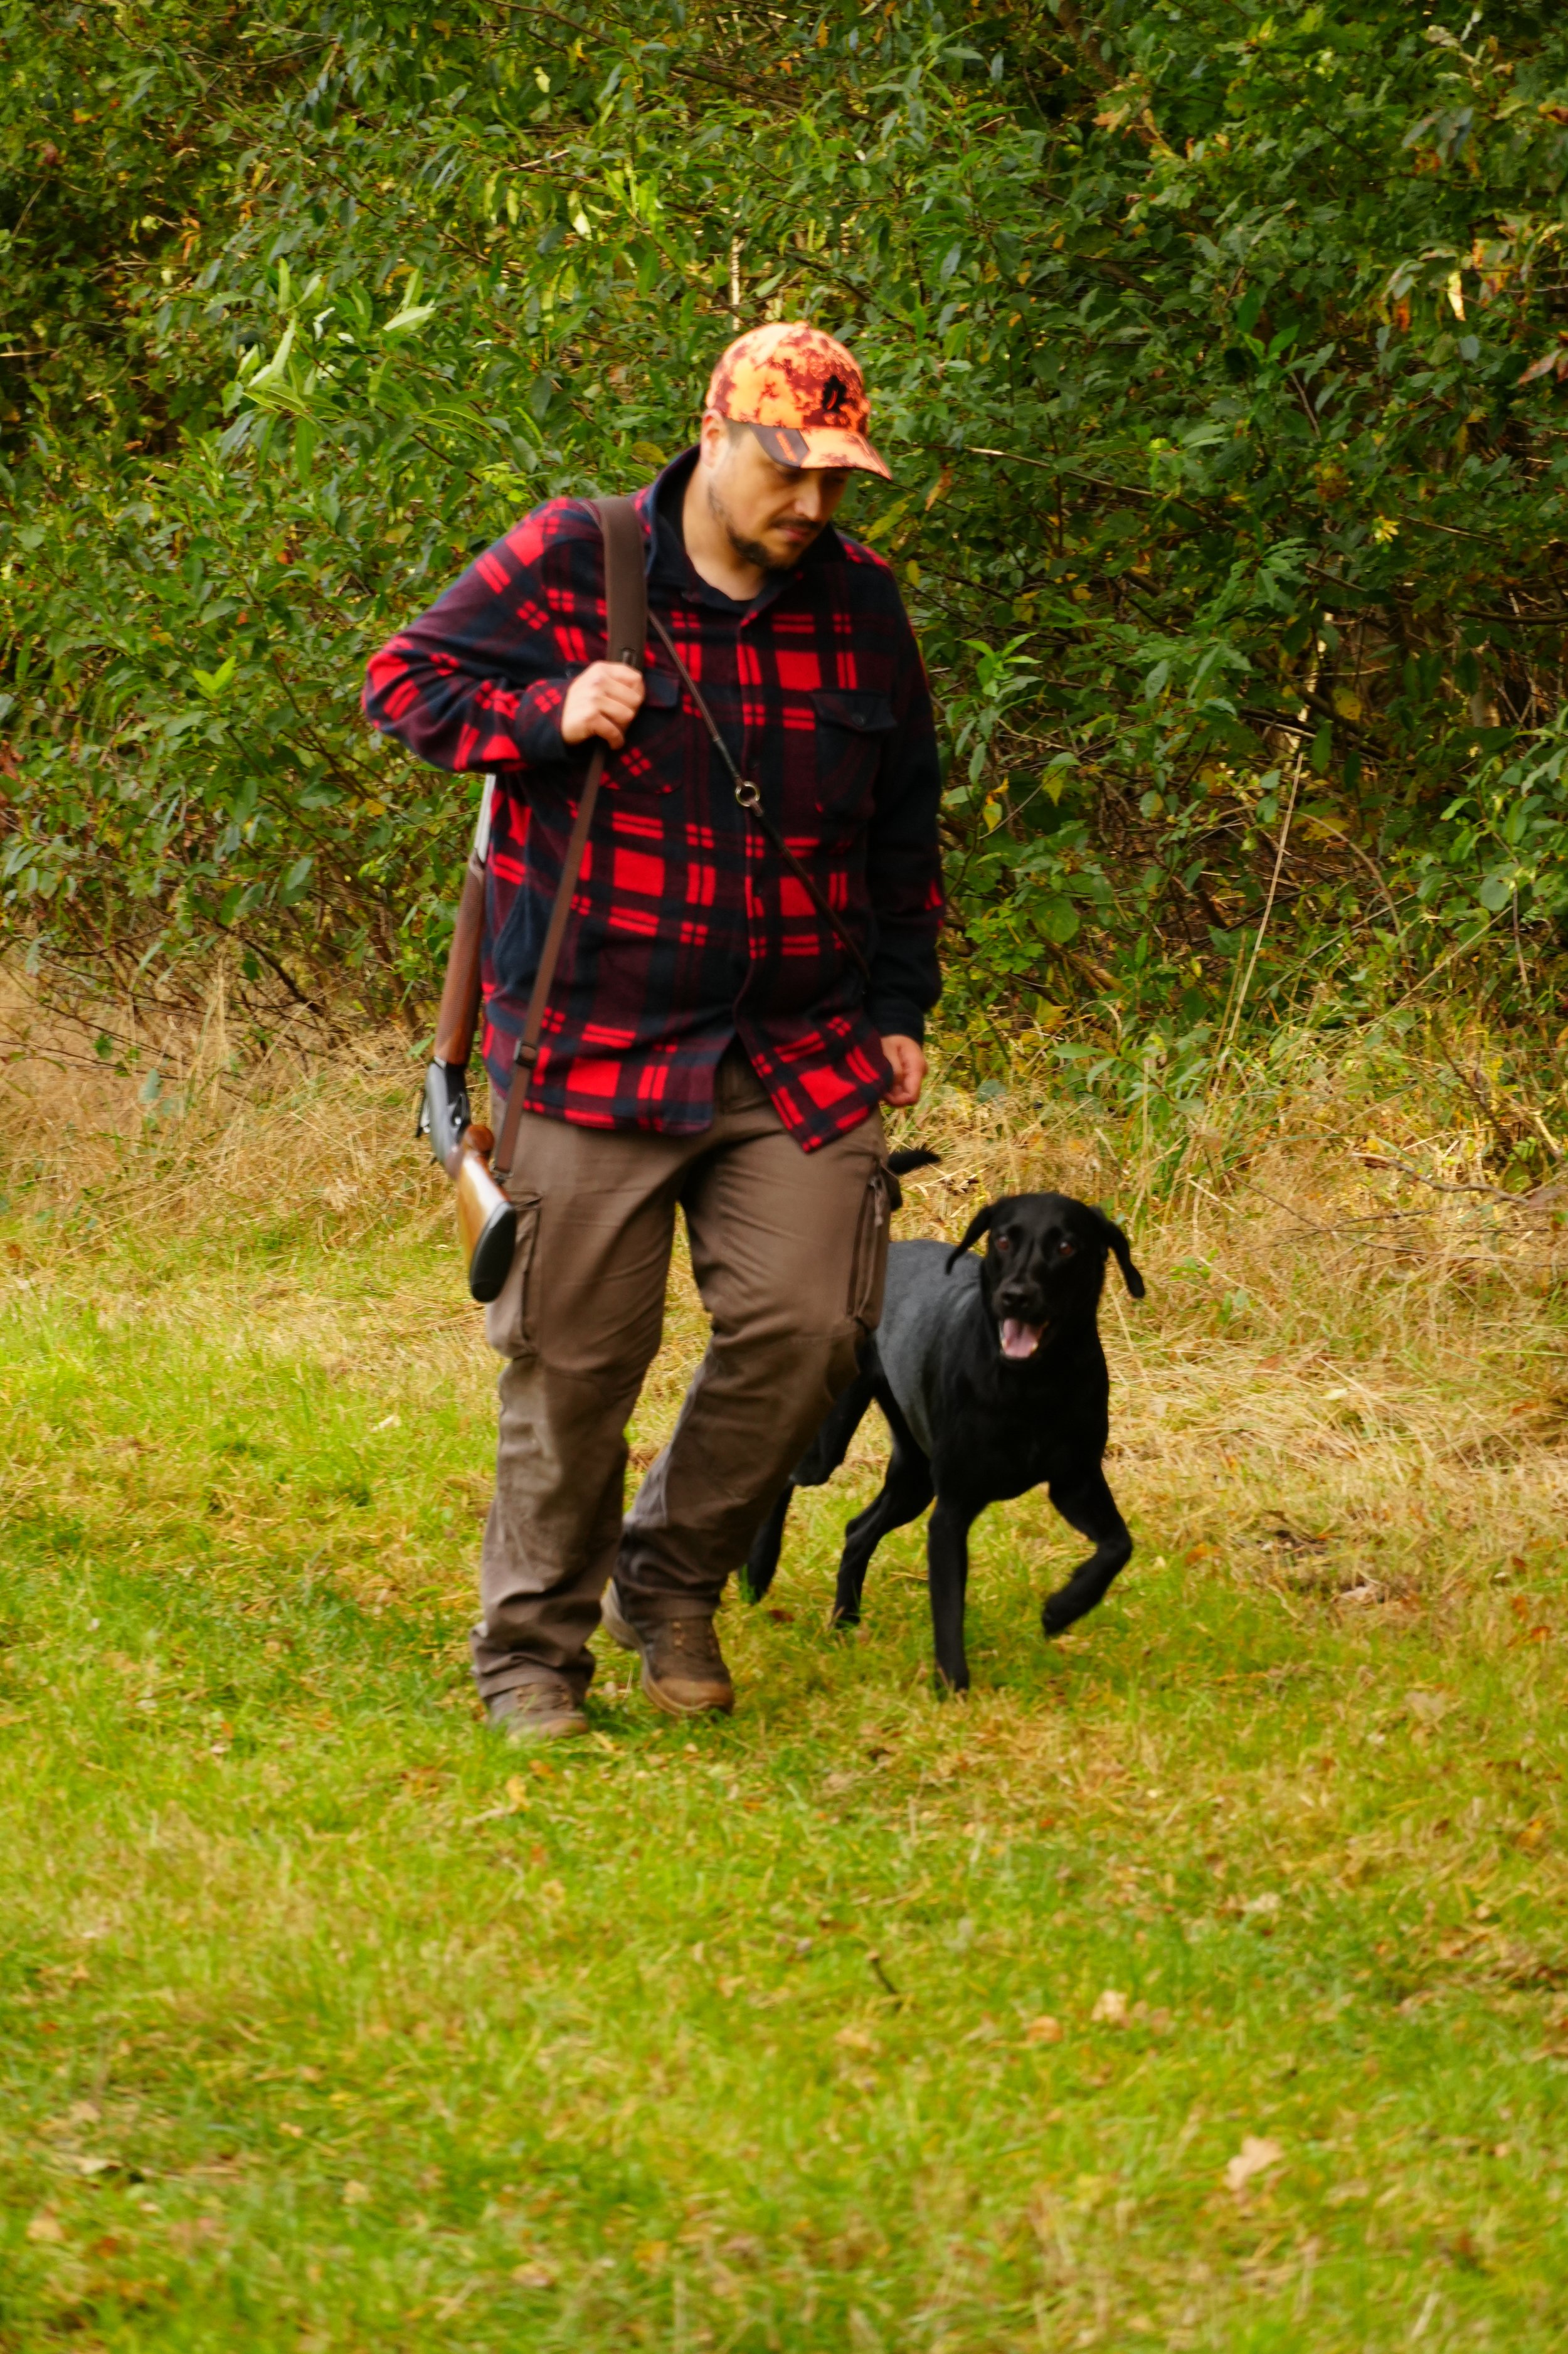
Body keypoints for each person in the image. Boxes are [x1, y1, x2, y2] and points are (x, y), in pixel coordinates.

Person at [363, 322, 943, 1738]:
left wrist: (897, 1005)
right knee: (575, 1366)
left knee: (814, 1329)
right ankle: (528, 1658)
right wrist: (545, 711)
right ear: (716, 435)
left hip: (796, 1044)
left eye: (836, 478)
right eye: (787, 470)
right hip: (592, 1041)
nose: (812, 503)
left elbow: (905, 822)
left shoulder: (862, 601)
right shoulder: (580, 555)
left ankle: (667, 1579)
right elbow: (401, 686)